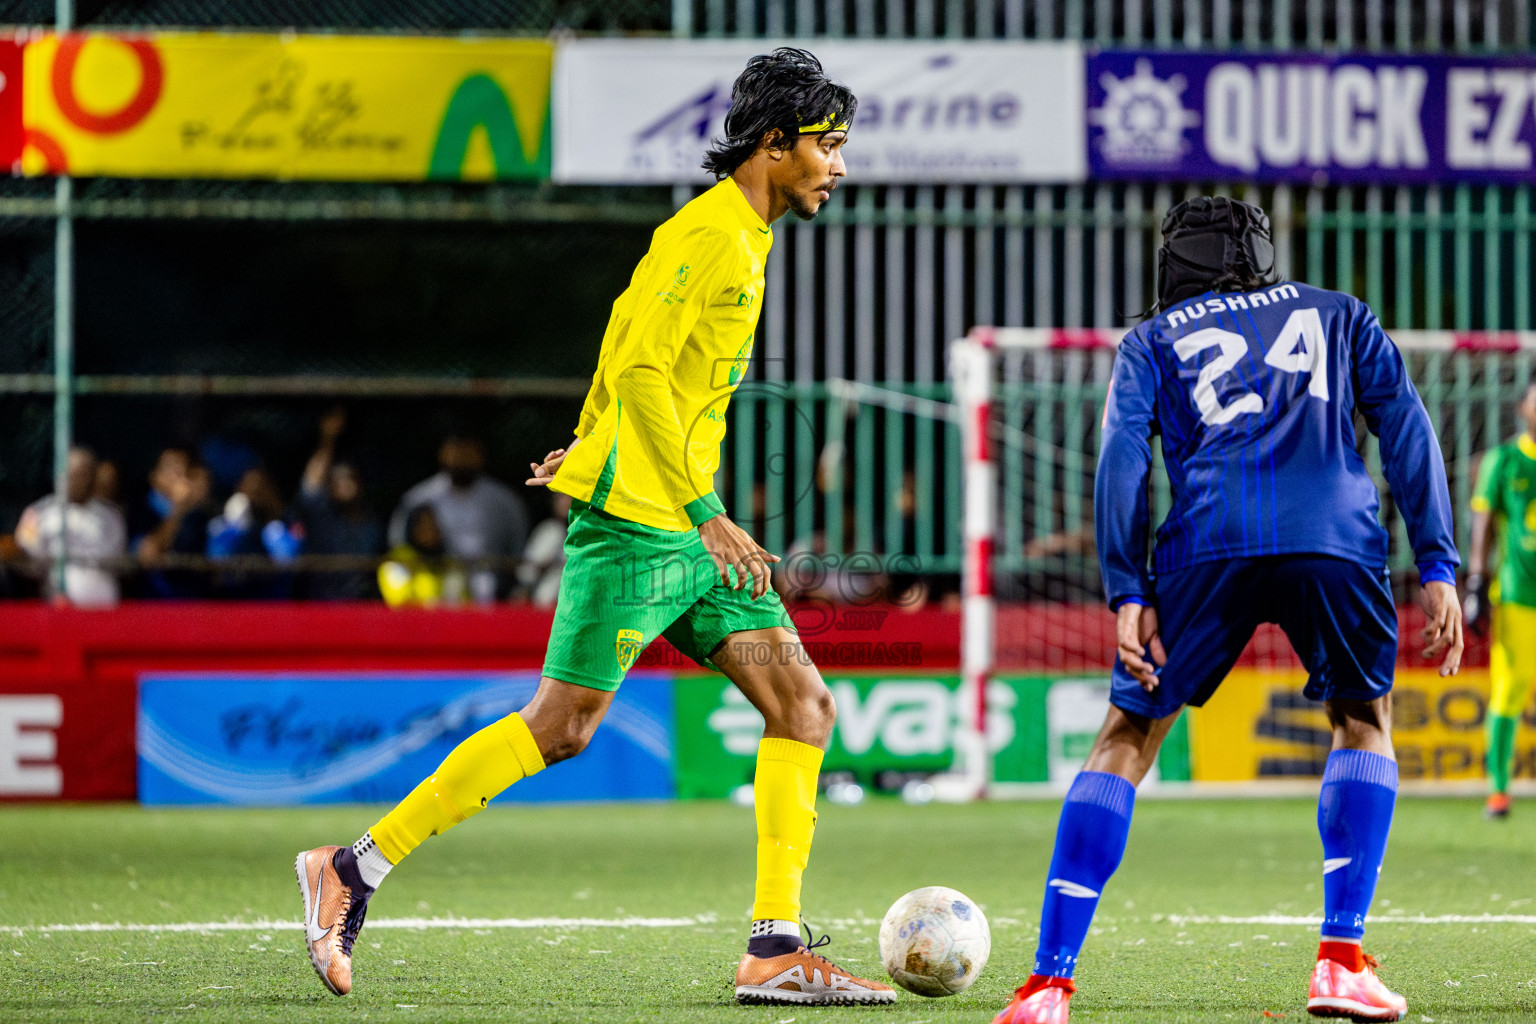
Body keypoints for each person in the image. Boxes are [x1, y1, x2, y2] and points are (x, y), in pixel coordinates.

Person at [294, 47, 890, 1006]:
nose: (840, 165)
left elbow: (624, 338)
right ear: (775, 144)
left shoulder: (741, 234)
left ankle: (774, 949)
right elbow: (645, 367)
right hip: (649, 527)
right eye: (829, 145)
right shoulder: (712, 234)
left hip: (682, 526)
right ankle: (351, 868)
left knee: (803, 706)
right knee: (562, 727)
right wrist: (700, 509)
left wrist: (588, 441)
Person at [991, 197, 1464, 1024]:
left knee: (1128, 736)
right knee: (1363, 719)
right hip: (1335, 536)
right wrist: (1438, 563)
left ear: (1175, 263)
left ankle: (1048, 985)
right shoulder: (1340, 312)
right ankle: (1341, 963)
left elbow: (1121, 459)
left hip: (1208, 539)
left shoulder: (1151, 340)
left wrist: (1127, 589)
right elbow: (1408, 432)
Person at [1463, 382, 1536, 819]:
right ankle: (1499, 790)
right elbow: (1483, 524)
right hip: (1516, 597)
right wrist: (1475, 584)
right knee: (1509, 691)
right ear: (1523, 407)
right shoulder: (1504, 461)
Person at [389, 433, 528, 603]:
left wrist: (514, 583)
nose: (462, 459)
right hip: (435, 580)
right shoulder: (421, 498)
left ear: (480, 455)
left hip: (491, 581)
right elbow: (399, 542)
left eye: (468, 452)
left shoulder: (503, 500)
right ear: (443, 453)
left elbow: (519, 544)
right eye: (456, 451)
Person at [14, 445, 127, 608]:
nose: (75, 480)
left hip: (104, 607)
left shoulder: (110, 517)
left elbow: (117, 560)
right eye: (70, 473)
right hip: (57, 607)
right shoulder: (37, 513)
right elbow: (25, 555)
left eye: (82, 474)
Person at [294, 408, 384, 601]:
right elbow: (311, 487)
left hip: (360, 606)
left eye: (350, 478)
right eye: (338, 481)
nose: (345, 485)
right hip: (320, 603)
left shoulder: (373, 524)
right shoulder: (322, 518)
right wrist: (328, 438)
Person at [129, 447, 212, 599]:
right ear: (154, 477)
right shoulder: (141, 509)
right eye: (170, 468)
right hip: (152, 601)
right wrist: (178, 509)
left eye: (183, 470)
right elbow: (147, 553)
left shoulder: (197, 515)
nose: (178, 475)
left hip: (190, 601)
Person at [378, 504, 467, 608]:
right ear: (412, 529)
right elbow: (398, 600)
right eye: (423, 525)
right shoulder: (397, 559)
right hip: (411, 617)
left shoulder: (449, 561)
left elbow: (462, 602)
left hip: (444, 616)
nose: (429, 531)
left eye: (433, 525)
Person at [515, 491, 570, 607]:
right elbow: (526, 572)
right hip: (545, 601)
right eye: (560, 498)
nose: (564, 502)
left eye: (569, 498)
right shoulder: (550, 531)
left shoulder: (588, 532)